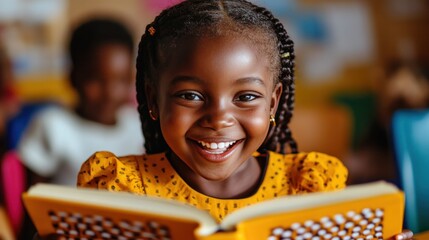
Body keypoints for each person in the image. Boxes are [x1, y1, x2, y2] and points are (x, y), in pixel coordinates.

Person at [76, 1, 411, 239]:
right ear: (153, 99)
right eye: (191, 95)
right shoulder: (119, 190)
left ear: (273, 102)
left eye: (246, 97)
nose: (219, 118)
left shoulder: (310, 188)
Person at [18, 18, 145, 187]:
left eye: (121, 80)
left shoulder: (138, 126)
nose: (109, 93)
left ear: (132, 78)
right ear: (72, 77)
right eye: (96, 80)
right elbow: (32, 198)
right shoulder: (53, 126)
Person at [346, 61, 429, 185]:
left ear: (424, 87)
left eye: (407, 88)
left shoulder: (421, 123)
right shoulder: (384, 118)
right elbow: (362, 155)